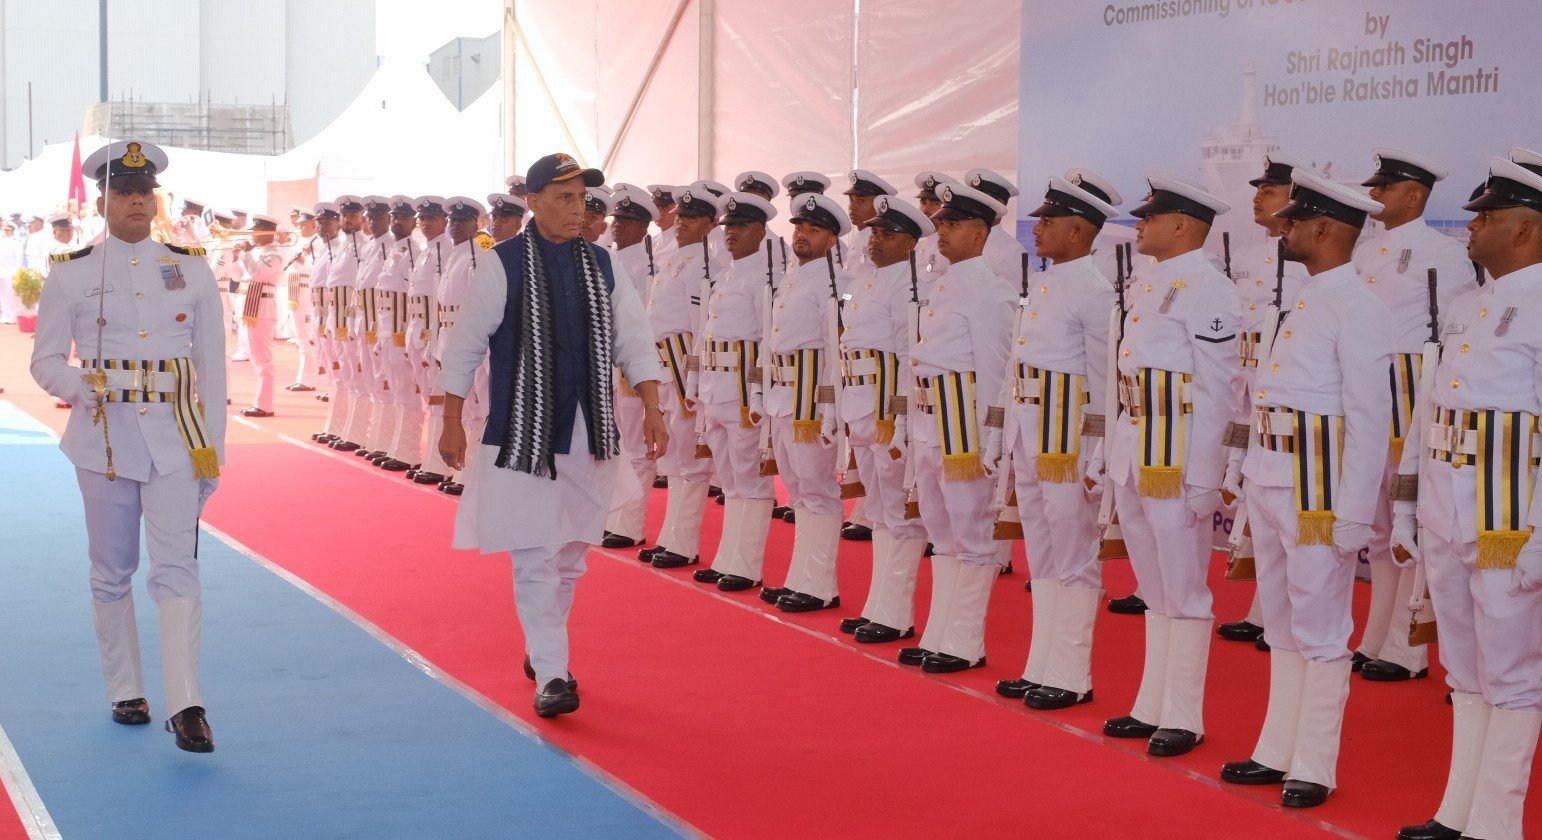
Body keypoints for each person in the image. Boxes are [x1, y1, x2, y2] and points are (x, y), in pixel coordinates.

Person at [436, 152, 666, 718]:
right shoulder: (503, 263)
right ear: (533, 202)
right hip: (523, 435)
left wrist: (654, 406)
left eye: (582, 197)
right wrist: (451, 419)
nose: (576, 208)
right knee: (535, 552)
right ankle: (553, 673)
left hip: (591, 432)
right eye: (563, 197)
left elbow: (634, 339)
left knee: (570, 557)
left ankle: (543, 649)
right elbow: (465, 345)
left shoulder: (603, 264)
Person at [28, 139, 224, 752]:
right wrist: (79, 387)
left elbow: (213, 371)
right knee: (113, 569)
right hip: (104, 439)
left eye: (145, 192)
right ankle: (125, 689)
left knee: (178, 566)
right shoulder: (72, 271)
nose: (137, 201)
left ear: (155, 201)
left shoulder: (192, 267)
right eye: (124, 192)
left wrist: (212, 452)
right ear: (102, 202)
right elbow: (45, 360)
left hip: (176, 439)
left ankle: (187, 704)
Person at [1217, 169, 1391, 808]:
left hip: (1317, 491)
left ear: (1324, 229)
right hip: (1272, 477)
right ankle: (1276, 747)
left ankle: (1315, 764)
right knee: (1283, 623)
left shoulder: (1360, 308)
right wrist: (1245, 472)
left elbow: (1370, 419)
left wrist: (1354, 513)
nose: (1283, 230)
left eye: (1294, 222)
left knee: (1321, 629)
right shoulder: (1305, 298)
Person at [1393, 154, 1542, 840]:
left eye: (1489, 217)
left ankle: (1497, 824)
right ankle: (1458, 811)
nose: (1472, 226)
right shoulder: (1464, 307)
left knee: (1512, 674)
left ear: (1527, 229)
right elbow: (1429, 417)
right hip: (1448, 513)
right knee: (1466, 669)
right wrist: (1408, 505)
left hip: (1510, 522)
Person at [1097, 171, 1239, 757]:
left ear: (1182, 225)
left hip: (1176, 458)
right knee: (1154, 589)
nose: (1140, 225)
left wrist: (1207, 473)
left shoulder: (1209, 288)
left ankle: (1184, 715)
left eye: (1150, 217)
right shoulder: (1149, 282)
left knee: (1185, 590)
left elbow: (1218, 389)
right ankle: (1150, 704)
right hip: (1138, 452)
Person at [986, 176, 1117, 707]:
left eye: (1049, 221)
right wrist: (1000, 431)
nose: (1037, 228)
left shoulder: (1094, 289)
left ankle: (1071, 673)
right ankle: (1041, 664)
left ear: (1079, 230)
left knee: (1074, 552)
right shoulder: (1044, 281)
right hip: (1030, 431)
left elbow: (1104, 380)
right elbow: (1014, 366)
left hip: (1067, 440)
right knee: (1041, 550)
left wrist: (1099, 451)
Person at [1351, 148, 1479, 682]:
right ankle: (1375, 635)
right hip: (1368, 389)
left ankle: (1408, 648)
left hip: (1411, 392)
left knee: (1412, 515)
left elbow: (1455, 333)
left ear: (1415, 195)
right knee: (1381, 524)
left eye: (1385, 187)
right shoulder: (1365, 252)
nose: (1374, 194)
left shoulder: (1442, 252)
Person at [1216, 154, 1312, 648]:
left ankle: (1290, 620)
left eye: (1269, 191)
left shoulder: (1308, 262)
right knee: (1257, 505)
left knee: (1287, 516)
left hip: (1290, 395)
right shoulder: (1250, 256)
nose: (1257, 198)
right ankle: (1264, 612)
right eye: (1257, 190)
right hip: (1248, 388)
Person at [832, 195, 933, 643]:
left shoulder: (910, 286)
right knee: (878, 510)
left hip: (886, 409)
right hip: (860, 404)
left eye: (887, 234)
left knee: (899, 512)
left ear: (910, 242)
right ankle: (879, 605)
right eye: (874, 232)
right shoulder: (865, 279)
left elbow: (910, 358)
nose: (875, 240)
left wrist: (901, 421)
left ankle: (896, 614)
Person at [755, 192, 856, 612]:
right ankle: (801, 577)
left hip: (811, 398)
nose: (802, 235)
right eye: (799, 228)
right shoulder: (792, 276)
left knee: (817, 489)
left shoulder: (836, 282)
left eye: (814, 230)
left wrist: (832, 409)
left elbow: (836, 349)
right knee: (798, 490)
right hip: (783, 395)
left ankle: (820, 586)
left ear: (832, 240)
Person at [686, 192, 782, 589]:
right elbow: (705, 333)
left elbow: (765, 341)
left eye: (741, 227)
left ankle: (746, 565)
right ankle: (728, 557)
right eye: (729, 227)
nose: (731, 234)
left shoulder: (766, 276)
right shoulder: (726, 273)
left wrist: (758, 395)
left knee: (750, 477)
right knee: (728, 478)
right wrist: (695, 383)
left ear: (760, 230)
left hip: (743, 389)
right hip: (715, 386)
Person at [638, 188, 729, 568]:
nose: (681, 223)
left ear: (709, 224)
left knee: (689, 454)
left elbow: (698, 325)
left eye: (691, 218)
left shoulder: (705, 264)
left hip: (684, 362)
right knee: (674, 452)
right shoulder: (676, 257)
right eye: (680, 216)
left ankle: (683, 543)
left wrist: (694, 378)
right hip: (664, 360)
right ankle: (671, 537)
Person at [601, 187, 664, 549]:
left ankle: (630, 524)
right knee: (615, 442)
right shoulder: (609, 258)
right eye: (617, 219)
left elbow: (643, 323)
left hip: (628, 366)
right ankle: (612, 516)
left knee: (637, 446)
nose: (618, 225)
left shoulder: (647, 264)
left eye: (627, 220)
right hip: (605, 364)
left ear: (644, 226)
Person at [235, 213, 285, 417]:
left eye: (256, 231)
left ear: (267, 232)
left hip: (262, 311)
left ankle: (265, 405)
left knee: (263, 360)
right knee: (255, 359)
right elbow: (237, 276)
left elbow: (257, 274)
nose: (252, 235)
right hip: (248, 309)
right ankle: (260, 402)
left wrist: (246, 253)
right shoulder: (256, 252)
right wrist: (238, 255)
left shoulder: (274, 255)